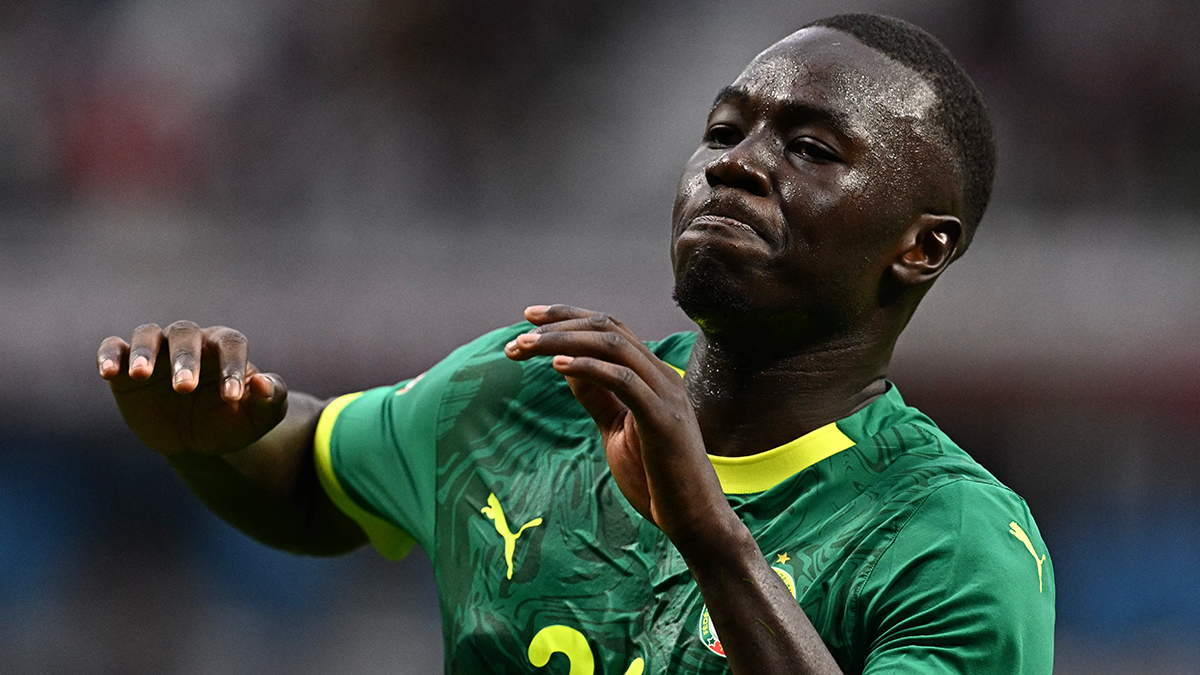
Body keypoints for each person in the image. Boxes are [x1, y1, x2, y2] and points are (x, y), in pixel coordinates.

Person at [96, 13, 1054, 675]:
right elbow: (312, 474)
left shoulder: (952, 544)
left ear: (922, 247)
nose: (736, 164)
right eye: (724, 130)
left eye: (808, 149)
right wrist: (210, 436)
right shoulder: (528, 391)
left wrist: (711, 536)